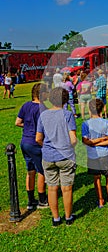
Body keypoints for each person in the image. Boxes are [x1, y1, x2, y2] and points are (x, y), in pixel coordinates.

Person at [36, 87, 77, 227]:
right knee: (67, 188)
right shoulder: (68, 115)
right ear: (65, 100)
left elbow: (38, 138)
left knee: (52, 188)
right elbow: (73, 139)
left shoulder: (43, 115)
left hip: (48, 156)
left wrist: (47, 147)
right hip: (65, 155)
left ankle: (56, 218)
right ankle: (68, 216)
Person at [15, 83, 49, 210]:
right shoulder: (42, 108)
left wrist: (28, 126)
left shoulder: (26, 105)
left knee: (30, 171)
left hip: (25, 142)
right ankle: (42, 200)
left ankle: (30, 201)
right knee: (41, 171)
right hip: (36, 143)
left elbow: (18, 122)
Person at [82, 99, 108, 208]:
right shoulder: (107, 123)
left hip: (92, 155)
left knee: (96, 177)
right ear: (101, 109)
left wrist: (93, 143)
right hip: (104, 153)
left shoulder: (85, 124)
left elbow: (85, 141)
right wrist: (102, 139)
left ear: (89, 110)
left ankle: (101, 200)